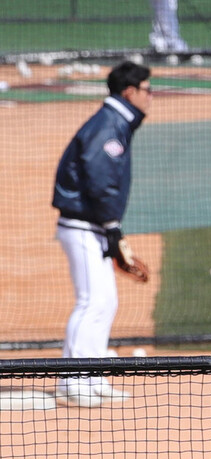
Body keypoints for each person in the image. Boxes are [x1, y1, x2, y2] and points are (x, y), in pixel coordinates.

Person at [51, 60, 153, 406]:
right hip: (82, 226)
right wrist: (112, 227)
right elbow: (99, 178)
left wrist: (112, 229)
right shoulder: (109, 123)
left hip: (91, 225)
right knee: (91, 301)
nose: (151, 96)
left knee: (105, 301)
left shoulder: (116, 122)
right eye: (147, 89)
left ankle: (91, 376)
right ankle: (72, 382)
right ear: (130, 92)